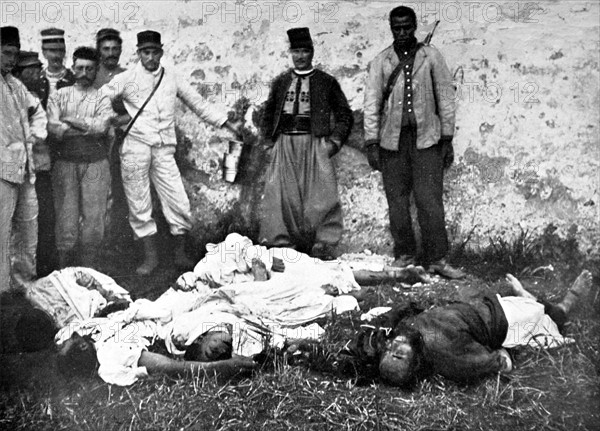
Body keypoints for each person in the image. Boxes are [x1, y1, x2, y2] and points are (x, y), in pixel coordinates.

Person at [102, 30, 242, 275]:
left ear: (161, 52)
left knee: (178, 201)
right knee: (139, 203)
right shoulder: (127, 78)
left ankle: (180, 254)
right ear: (138, 53)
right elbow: (100, 98)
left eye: (154, 52)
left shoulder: (171, 77)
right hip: (135, 148)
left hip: (164, 148)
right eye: (145, 52)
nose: (150, 57)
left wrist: (227, 123)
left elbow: (198, 104)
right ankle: (150, 258)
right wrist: (115, 119)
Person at [363, 6, 463, 278]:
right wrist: (372, 142)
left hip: (427, 141)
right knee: (397, 202)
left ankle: (437, 259)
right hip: (392, 144)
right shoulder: (381, 62)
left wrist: (446, 138)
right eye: (397, 28)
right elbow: (371, 104)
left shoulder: (431, 57)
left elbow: (445, 98)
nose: (403, 32)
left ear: (415, 26)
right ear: (391, 28)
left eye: (407, 27)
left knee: (429, 201)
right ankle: (405, 255)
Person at [368, 270, 593, 387]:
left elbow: (409, 309)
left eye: (386, 349)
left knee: (527, 306)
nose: (390, 345)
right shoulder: (446, 357)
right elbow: (500, 365)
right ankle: (566, 303)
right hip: (507, 321)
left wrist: (386, 320)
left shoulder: (411, 332)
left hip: (485, 304)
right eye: (396, 355)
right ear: (413, 360)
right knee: (551, 319)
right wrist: (505, 348)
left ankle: (527, 298)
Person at [258, 27, 354, 260]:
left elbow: (345, 115)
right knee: (279, 194)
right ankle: (281, 244)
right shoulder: (281, 82)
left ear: (312, 52)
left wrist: (333, 143)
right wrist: (269, 142)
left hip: (314, 143)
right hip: (285, 143)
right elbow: (268, 113)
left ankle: (323, 243)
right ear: (290, 53)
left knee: (321, 194)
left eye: (305, 51)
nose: (300, 56)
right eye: (296, 51)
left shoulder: (326, 82)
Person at [47, 47, 114, 268]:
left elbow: (102, 127)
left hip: (96, 164)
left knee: (94, 221)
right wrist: (86, 127)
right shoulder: (59, 95)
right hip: (65, 164)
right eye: (80, 68)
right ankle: (64, 272)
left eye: (89, 68)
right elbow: (55, 128)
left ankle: (89, 270)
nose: (84, 72)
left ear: (96, 70)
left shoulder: (102, 97)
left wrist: (71, 122)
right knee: (66, 220)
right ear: (73, 68)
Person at [0, 27, 48, 294]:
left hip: (25, 168)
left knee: (29, 230)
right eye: (6, 53)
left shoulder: (16, 85)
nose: (11, 60)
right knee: (1, 233)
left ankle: (25, 286)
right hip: (2, 172)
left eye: (14, 54)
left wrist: (35, 135)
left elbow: (38, 111)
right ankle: (2, 293)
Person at [92, 28, 133, 253]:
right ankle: (94, 243)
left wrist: (116, 120)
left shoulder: (127, 76)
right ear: (99, 50)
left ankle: (116, 243)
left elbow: (134, 111)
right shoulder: (91, 73)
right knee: (95, 192)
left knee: (118, 192)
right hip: (93, 142)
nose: (110, 53)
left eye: (115, 49)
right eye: (106, 49)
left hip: (119, 140)